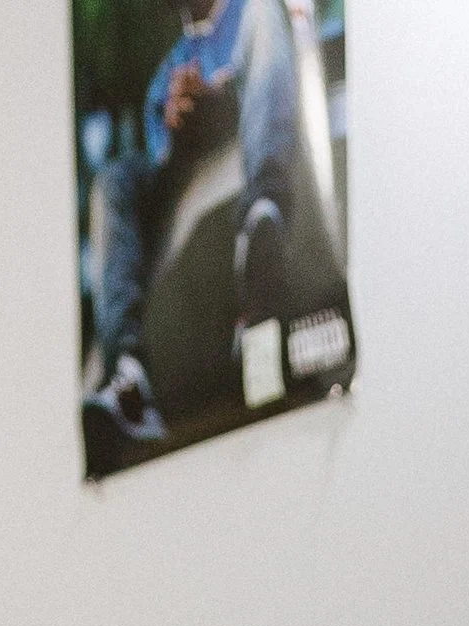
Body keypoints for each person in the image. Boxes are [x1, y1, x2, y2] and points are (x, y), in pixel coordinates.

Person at [83, 0, 302, 456]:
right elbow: (163, 158)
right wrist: (178, 119)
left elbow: (278, 75)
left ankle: (263, 219)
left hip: (254, 143)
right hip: (184, 171)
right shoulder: (166, 74)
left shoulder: (256, 14)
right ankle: (128, 376)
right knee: (112, 182)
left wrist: (224, 97)